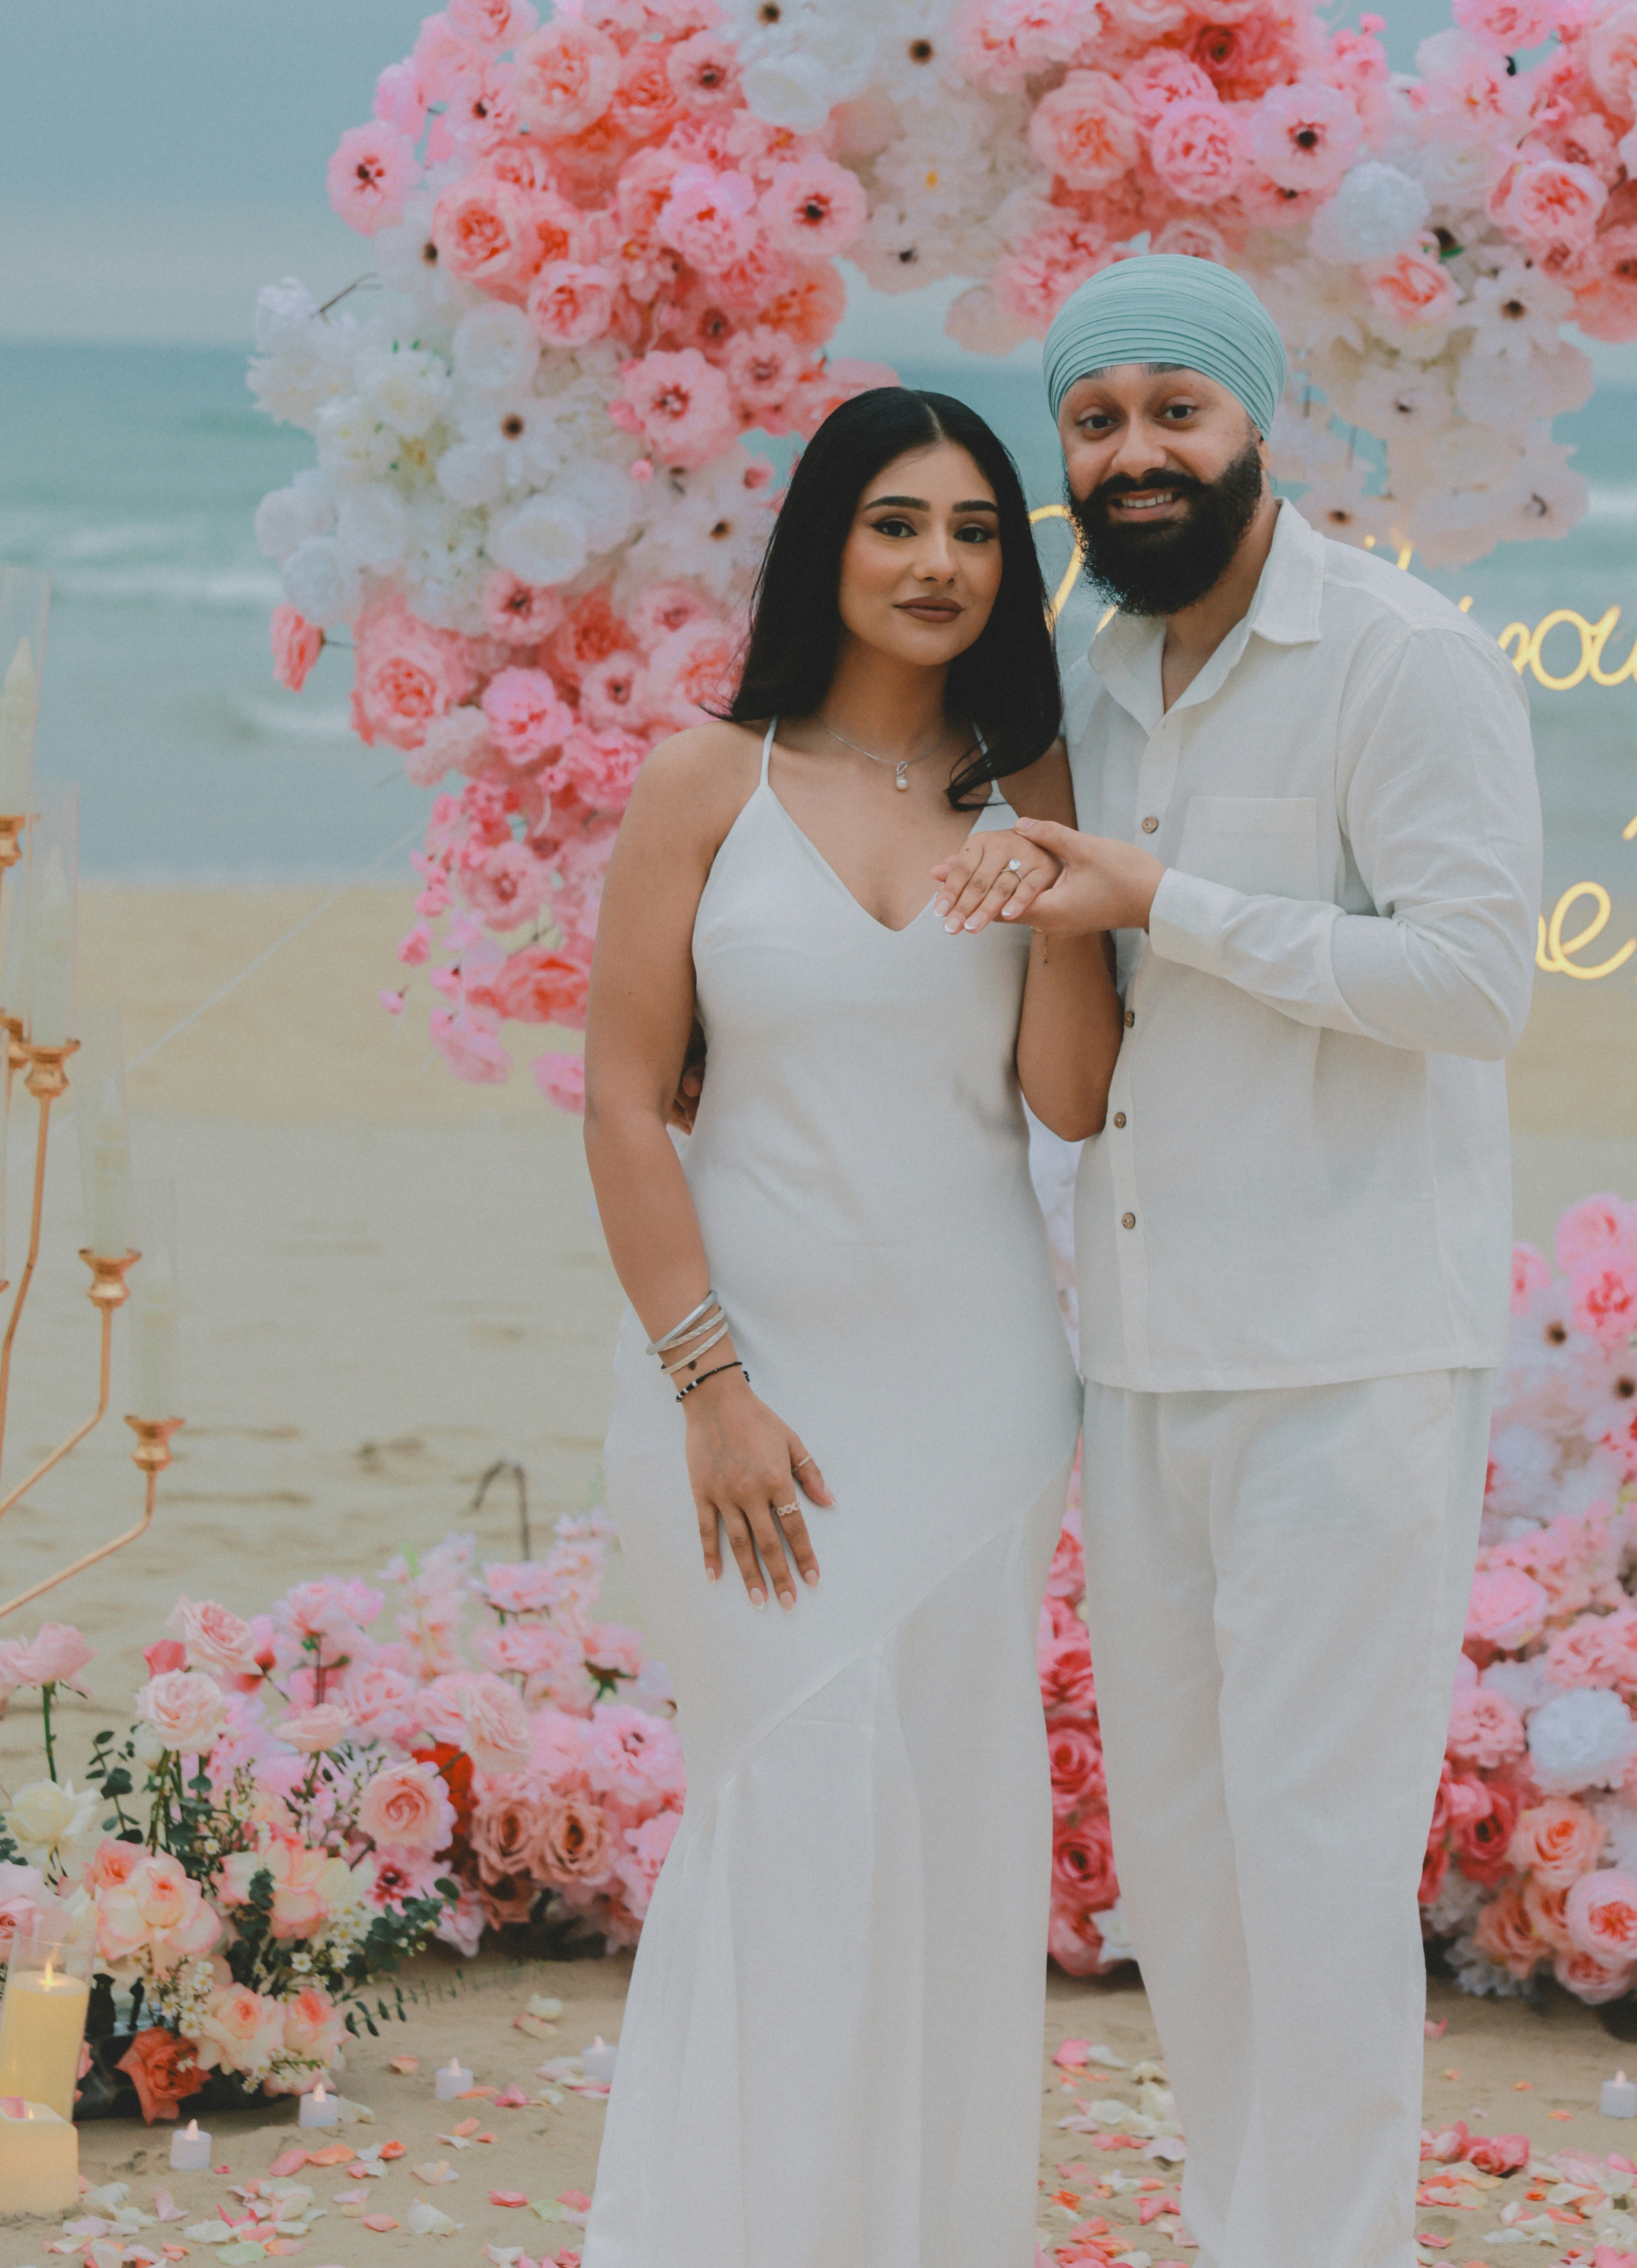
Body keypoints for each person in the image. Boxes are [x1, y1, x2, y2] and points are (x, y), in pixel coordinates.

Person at [934, 255, 1542, 2268]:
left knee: (1316, 1859)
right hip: (1140, 1351)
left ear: (1255, 421)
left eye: (1170, 414)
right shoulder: (1085, 676)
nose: (1130, 455)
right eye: (1093, 421)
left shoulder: (1402, 656)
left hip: (1350, 1354)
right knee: (1182, 1874)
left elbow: (1471, 985)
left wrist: (1163, 899)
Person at [579, 386, 1120, 2268]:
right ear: (827, 543)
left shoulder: (1031, 786)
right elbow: (624, 1100)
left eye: (977, 531)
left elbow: (1066, 1102)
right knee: (792, 1815)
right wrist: (711, 1385)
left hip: (978, 1397)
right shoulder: (704, 783)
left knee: (950, 1840)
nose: (941, 563)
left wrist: (1057, 900)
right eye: (898, 523)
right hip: (747, 1388)